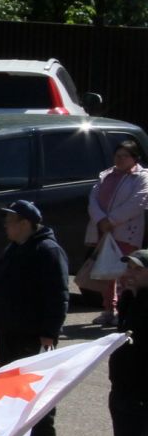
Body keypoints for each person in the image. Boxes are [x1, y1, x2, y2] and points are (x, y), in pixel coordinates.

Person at [0, 200, 71, 436]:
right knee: (12, 382)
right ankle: (17, 427)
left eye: (10, 221)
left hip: (32, 332)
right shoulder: (13, 249)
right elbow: (1, 286)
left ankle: (43, 431)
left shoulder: (48, 251)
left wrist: (50, 331)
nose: (5, 225)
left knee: (36, 384)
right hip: (9, 329)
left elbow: (58, 295)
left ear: (25, 224)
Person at [104, 250, 148, 436]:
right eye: (128, 267)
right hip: (124, 389)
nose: (129, 273)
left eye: (136, 269)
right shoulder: (133, 300)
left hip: (138, 393)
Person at [87, 138, 148, 326]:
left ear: (134, 158)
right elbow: (93, 199)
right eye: (117, 155)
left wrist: (111, 220)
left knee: (125, 273)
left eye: (124, 156)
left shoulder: (141, 177)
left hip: (125, 232)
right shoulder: (106, 175)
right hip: (104, 231)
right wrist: (101, 220)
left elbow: (139, 202)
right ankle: (108, 310)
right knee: (106, 271)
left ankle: (124, 310)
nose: (119, 159)